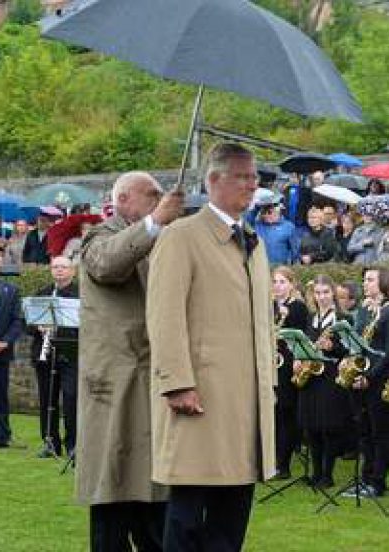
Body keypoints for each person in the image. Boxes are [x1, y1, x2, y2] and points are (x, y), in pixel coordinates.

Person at [147, 143, 276, 550]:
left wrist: (267, 382)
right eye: (243, 176)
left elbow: (262, 322)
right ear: (214, 180)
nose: (252, 185)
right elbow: (163, 315)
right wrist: (176, 382)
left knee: (232, 515)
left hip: (245, 401)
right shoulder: (182, 236)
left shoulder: (254, 242)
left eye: (255, 177)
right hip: (199, 397)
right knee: (187, 514)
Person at [77, 171, 182, 550]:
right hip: (113, 385)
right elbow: (107, 264)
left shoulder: (160, 242)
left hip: (151, 380)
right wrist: (156, 222)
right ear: (123, 199)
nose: (160, 199)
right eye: (151, 195)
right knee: (113, 489)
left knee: (153, 494)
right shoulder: (97, 236)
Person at [344, 268, 389, 498]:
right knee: (364, 433)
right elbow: (357, 342)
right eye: (364, 280)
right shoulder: (364, 310)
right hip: (360, 379)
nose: (365, 283)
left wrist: (369, 377)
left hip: (379, 381)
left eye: (370, 280)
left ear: (384, 284)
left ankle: (378, 482)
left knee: (381, 434)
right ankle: (365, 478)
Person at [296, 275, 353, 489]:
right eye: (318, 293)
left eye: (326, 293)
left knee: (328, 427)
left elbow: (350, 350)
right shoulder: (311, 318)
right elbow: (303, 342)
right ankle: (315, 472)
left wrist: (332, 347)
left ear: (333, 294)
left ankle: (327, 475)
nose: (321, 297)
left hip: (329, 377)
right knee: (311, 428)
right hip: (311, 376)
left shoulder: (342, 318)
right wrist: (299, 358)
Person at [28, 255, 79, 459]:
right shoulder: (43, 294)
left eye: (63, 267)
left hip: (70, 355)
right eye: (55, 267)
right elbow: (27, 323)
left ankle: (73, 444)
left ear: (72, 271)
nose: (59, 270)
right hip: (46, 355)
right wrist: (38, 326)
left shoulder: (80, 295)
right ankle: (50, 442)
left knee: (71, 399)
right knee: (47, 400)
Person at [272, 266, 309, 479]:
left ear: (291, 284)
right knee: (273, 415)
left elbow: (302, 337)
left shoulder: (298, 307)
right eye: (275, 282)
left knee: (286, 413)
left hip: (288, 365)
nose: (278, 286)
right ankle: (272, 460)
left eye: (282, 282)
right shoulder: (269, 306)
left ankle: (283, 464)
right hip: (272, 364)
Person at [0, 245, 21, 450]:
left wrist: (5, 342)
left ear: (0, 263)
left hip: (1, 350)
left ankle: (3, 437)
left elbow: (17, 321)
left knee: (1, 395)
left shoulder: (10, 290)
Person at [255, 200, 299, 265]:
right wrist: (257, 208)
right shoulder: (257, 226)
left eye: (270, 212)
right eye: (264, 212)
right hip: (262, 267)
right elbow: (245, 219)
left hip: (281, 268)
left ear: (278, 211)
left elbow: (295, 250)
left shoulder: (289, 226)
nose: (267, 215)